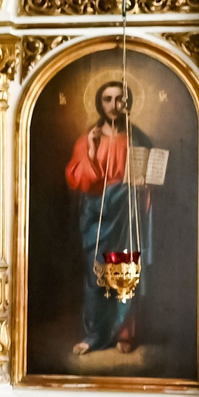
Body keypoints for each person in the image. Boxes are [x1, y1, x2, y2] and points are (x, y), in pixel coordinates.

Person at [67, 77, 155, 356]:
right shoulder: (87, 139)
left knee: (125, 272)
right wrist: (92, 151)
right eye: (108, 99)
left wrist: (145, 184)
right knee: (97, 276)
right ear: (99, 102)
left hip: (127, 212)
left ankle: (125, 333)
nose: (114, 105)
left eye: (120, 99)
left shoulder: (137, 138)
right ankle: (95, 334)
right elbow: (79, 179)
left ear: (127, 101)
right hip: (98, 215)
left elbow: (149, 174)